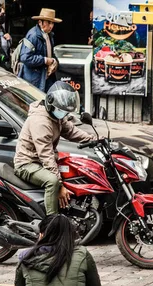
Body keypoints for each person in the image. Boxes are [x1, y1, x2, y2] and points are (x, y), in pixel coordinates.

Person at [13, 81, 94, 216]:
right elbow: (46, 155)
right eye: (61, 110)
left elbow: (71, 131)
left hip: (39, 161)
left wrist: (93, 139)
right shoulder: (40, 122)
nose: (63, 113)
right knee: (52, 181)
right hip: (27, 163)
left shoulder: (56, 117)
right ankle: (52, 222)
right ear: (50, 103)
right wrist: (60, 186)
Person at [18, 8, 60, 92]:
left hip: (46, 79)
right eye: (48, 23)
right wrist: (44, 60)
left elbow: (51, 54)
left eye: (52, 23)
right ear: (40, 22)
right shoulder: (33, 35)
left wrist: (55, 62)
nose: (51, 26)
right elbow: (25, 57)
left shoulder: (50, 35)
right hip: (34, 81)